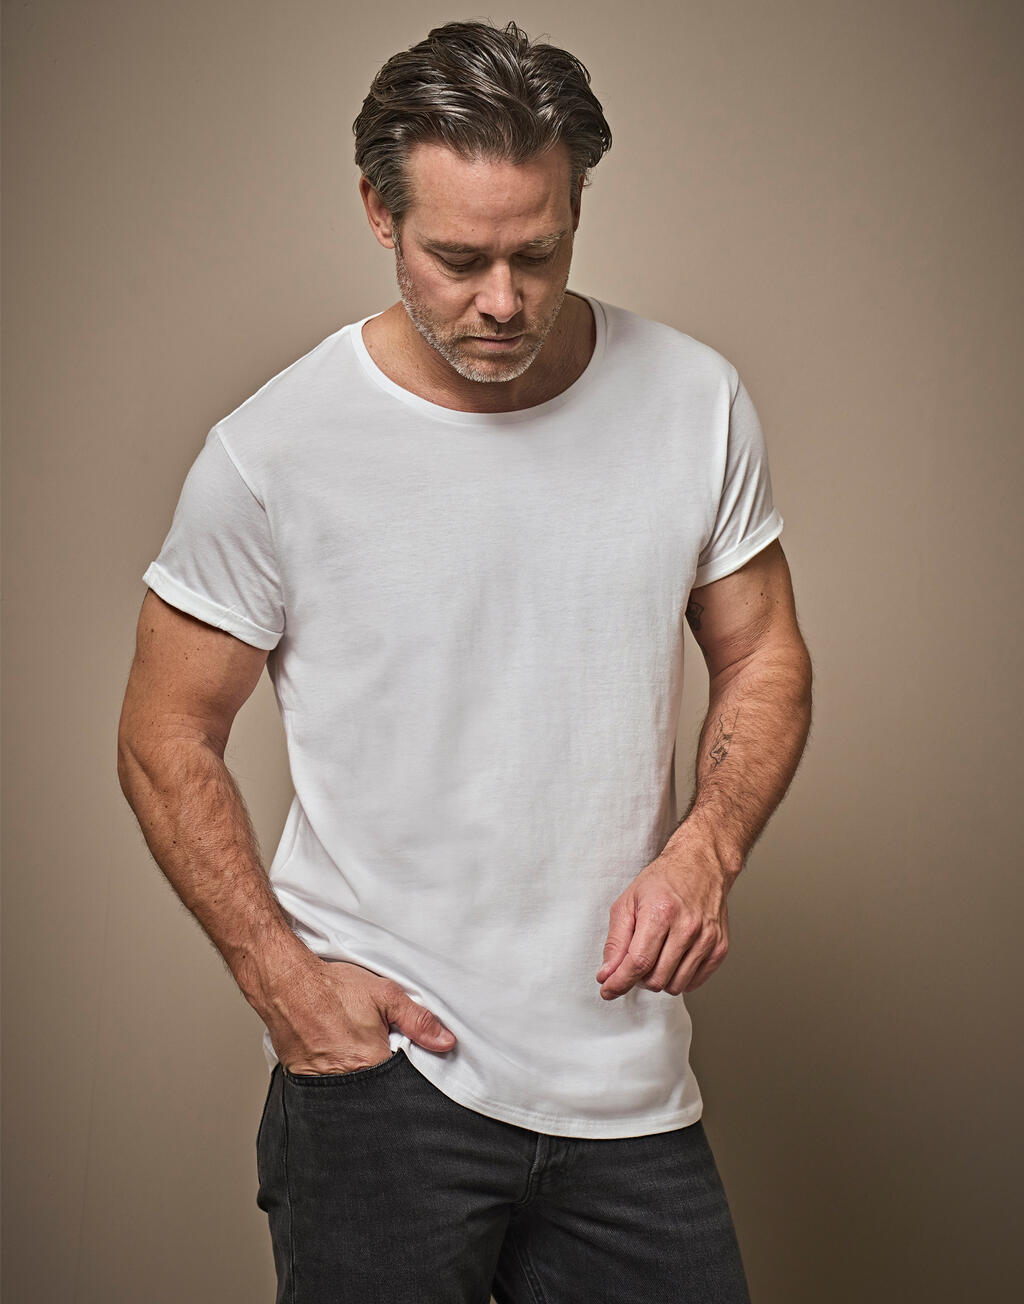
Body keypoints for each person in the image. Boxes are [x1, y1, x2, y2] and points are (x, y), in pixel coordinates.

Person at [117, 18, 812, 1304]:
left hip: (627, 1080)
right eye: (458, 258)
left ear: (576, 209)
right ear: (378, 213)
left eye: (536, 253)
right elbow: (165, 732)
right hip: (385, 1082)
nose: (502, 299)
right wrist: (283, 981)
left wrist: (706, 846)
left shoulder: (694, 399)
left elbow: (762, 648)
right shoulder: (273, 451)